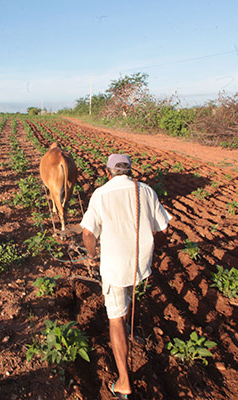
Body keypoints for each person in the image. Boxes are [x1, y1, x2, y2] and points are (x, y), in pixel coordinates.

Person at [80, 154, 171, 399]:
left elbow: (88, 234)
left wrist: (91, 256)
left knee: (116, 319)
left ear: (107, 172)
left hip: (114, 267)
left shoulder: (100, 194)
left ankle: (123, 382)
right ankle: (129, 326)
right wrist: (154, 248)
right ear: (130, 171)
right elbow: (164, 229)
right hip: (140, 266)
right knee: (127, 298)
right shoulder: (147, 191)